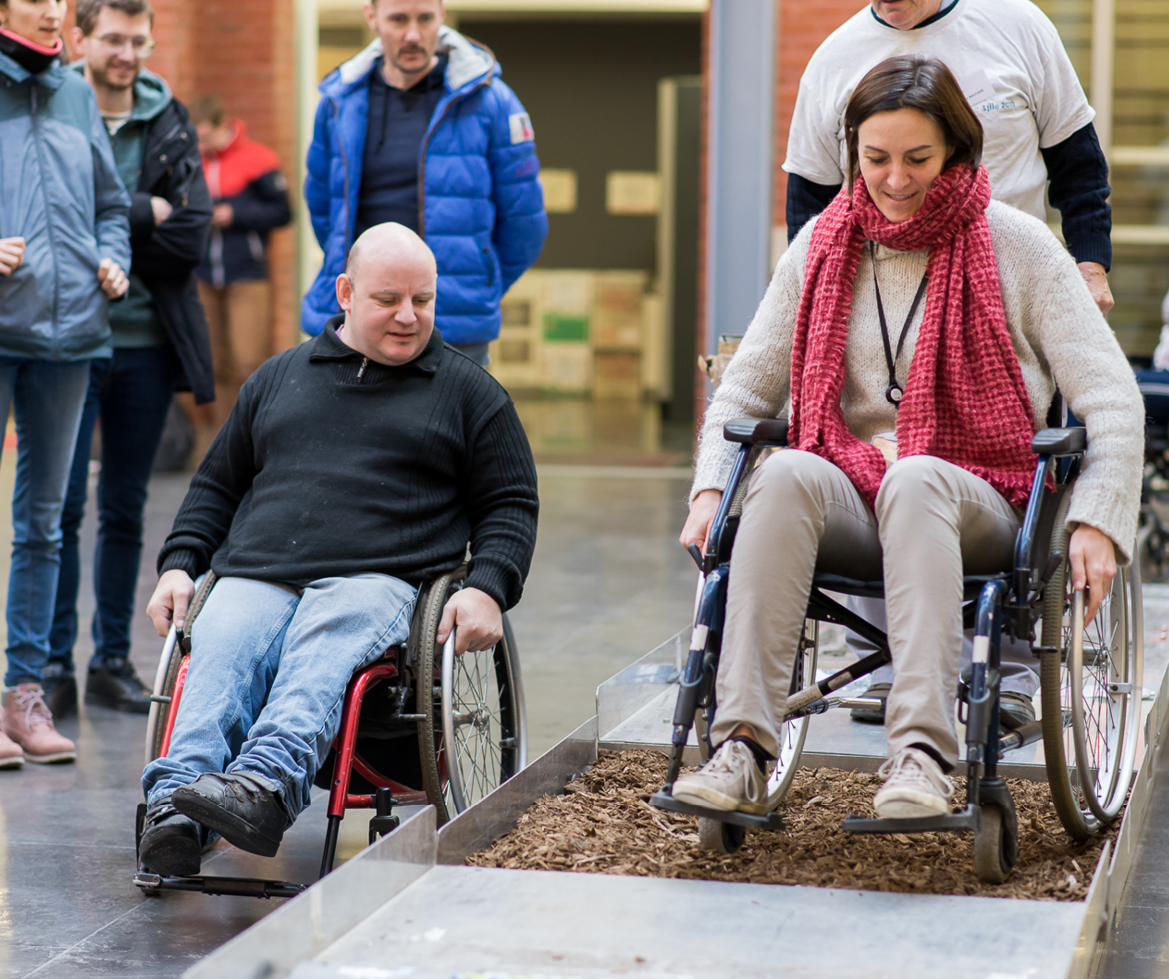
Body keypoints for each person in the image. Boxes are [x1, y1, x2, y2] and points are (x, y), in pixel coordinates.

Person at [672, 57, 1142, 820]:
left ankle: (922, 757)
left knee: (917, 475)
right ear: (852, 153)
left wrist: (1096, 519)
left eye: (917, 158)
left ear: (956, 150)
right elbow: (744, 388)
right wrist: (705, 491)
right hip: (854, 487)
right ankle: (740, 748)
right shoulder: (822, 245)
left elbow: (1111, 397)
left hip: (980, 497)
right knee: (785, 470)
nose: (894, 180)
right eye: (876, 158)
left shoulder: (1016, 245)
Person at [135, 223, 539, 875]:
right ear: (345, 292)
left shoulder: (470, 394)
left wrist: (487, 584)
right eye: (388, 299)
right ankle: (174, 810)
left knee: (331, 628)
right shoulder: (279, 377)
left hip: (379, 575)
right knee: (225, 637)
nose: (409, 316)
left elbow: (510, 502)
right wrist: (180, 564)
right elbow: (216, 484)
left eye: (423, 300)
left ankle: (263, 787)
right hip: (260, 570)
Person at [782, 0, 1116, 722]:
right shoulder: (835, 57)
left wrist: (1087, 264)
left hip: (1012, 297)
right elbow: (808, 200)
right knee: (875, 442)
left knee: (1019, 464)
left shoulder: (1017, 25)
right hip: (888, 287)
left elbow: (1077, 163)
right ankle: (887, 654)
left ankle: (1015, 663)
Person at [39, 0, 215, 721]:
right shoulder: (51, 105)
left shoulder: (168, 116)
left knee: (124, 507)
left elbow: (193, 232)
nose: (127, 53)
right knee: (58, 508)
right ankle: (51, 663)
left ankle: (110, 657)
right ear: (80, 38)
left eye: (139, 40)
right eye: (113, 38)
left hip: (144, 342)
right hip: (65, 340)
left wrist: (112, 223)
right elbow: (50, 219)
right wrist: (147, 211)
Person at [0, 0, 130, 767]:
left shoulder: (76, 92)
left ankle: (23, 693)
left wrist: (112, 257)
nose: (53, 9)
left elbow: (112, 204)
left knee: (45, 522)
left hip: (73, 331)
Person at [303, 0, 547, 366]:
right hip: (352, 326)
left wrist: (477, 285)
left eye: (425, 19)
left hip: (454, 324)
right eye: (398, 19)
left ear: (442, 16)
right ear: (372, 18)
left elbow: (524, 223)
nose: (413, 34)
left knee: (450, 425)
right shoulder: (339, 102)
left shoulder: (490, 100)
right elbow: (323, 210)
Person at [190, 93, 292, 430]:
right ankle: (223, 441)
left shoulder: (258, 159)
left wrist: (234, 213)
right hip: (203, 275)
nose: (201, 145)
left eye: (205, 137)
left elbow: (282, 212)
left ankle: (259, 435)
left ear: (222, 126)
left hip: (246, 272)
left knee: (248, 361)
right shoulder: (191, 163)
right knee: (215, 364)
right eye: (195, 139)